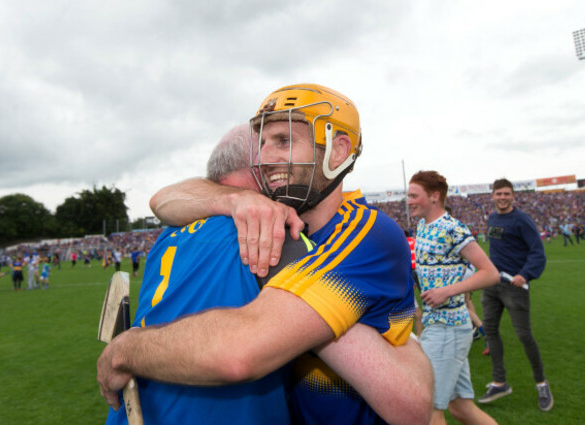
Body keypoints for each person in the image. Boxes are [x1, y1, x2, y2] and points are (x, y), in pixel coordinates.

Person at [98, 84, 432, 425]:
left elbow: (239, 351)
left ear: (337, 150)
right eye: (262, 144)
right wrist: (234, 199)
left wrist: (127, 349)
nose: (266, 158)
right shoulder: (287, 226)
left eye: (284, 141)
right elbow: (162, 200)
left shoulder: (364, 233)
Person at [408, 170, 499, 425]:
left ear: (434, 196)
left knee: (429, 410)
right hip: (439, 326)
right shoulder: (422, 225)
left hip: (448, 328)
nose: (409, 200)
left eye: (414, 195)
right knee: (461, 409)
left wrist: (446, 291)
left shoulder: (453, 228)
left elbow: (490, 273)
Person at [479, 178, 553, 411]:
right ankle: (500, 382)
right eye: (498, 194)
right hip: (492, 285)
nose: (502, 197)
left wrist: (525, 274)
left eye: (506, 194)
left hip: (514, 286)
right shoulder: (492, 218)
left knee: (524, 336)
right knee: (490, 330)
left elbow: (538, 253)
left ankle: (542, 384)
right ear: (492, 196)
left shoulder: (522, 220)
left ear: (513, 196)